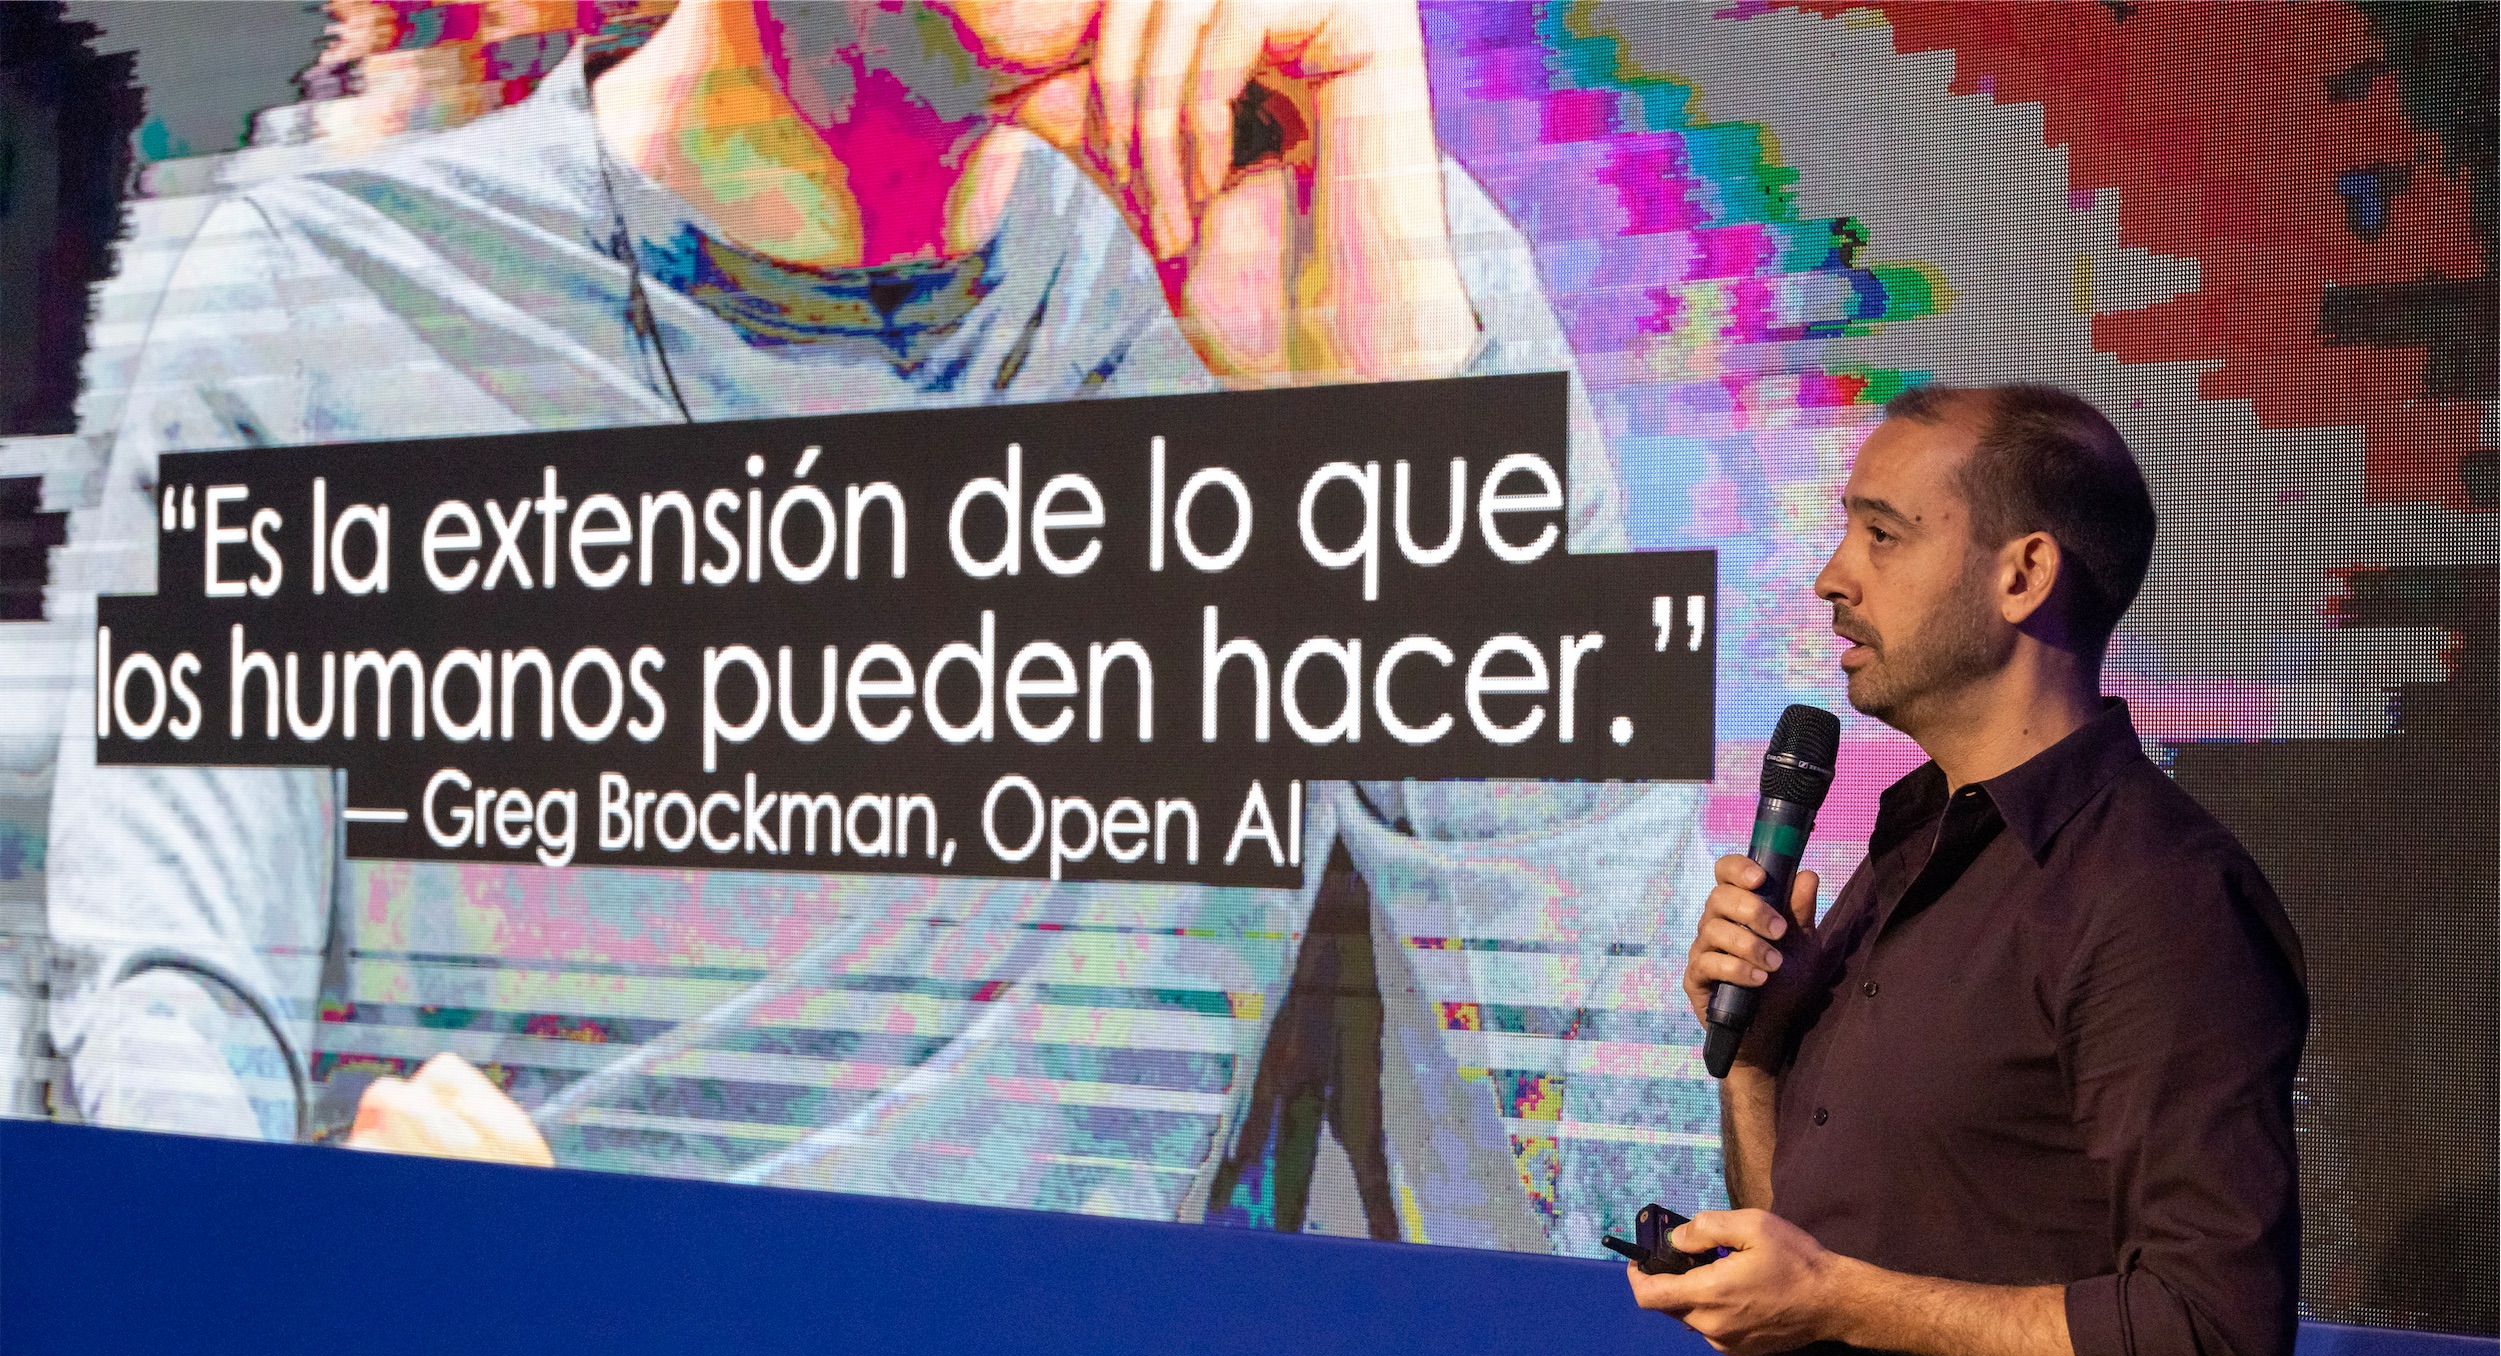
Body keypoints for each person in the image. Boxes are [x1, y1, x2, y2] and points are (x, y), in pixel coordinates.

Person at [46, 0, 1714, 1251]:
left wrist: (1416, 452)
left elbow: (1654, 1203)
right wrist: (328, 1264)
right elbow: (160, 1103)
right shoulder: (324, 305)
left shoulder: (1328, 254)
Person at [1635, 384, 2304, 1356]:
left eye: (1880, 533)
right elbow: (1811, 1258)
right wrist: (1754, 1062)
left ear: (2022, 574)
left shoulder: (2152, 894)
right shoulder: (1907, 848)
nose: (1831, 577)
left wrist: (1840, 1294)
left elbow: (2214, 1340)